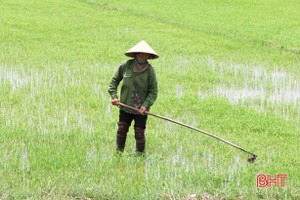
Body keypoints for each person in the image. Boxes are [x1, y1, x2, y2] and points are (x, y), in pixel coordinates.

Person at [108, 40, 159, 153]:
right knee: (122, 129)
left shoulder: (150, 71)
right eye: (141, 53)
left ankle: (140, 155)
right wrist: (114, 97)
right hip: (126, 106)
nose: (143, 56)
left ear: (148, 56)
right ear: (136, 54)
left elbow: (153, 91)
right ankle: (119, 152)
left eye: (146, 54)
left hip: (140, 109)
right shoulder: (125, 66)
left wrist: (145, 106)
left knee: (139, 132)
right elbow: (113, 82)